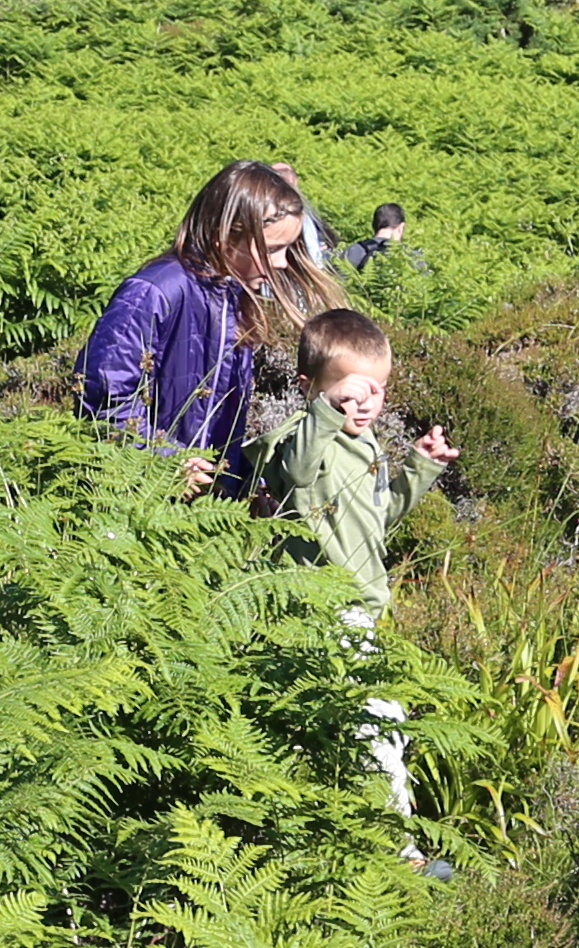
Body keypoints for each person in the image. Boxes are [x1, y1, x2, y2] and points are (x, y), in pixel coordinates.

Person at [268, 306, 456, 823]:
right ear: (312, 389)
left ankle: (350, 823)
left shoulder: (363, 441)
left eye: (377, 390)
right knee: (381, 719)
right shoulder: (307, 440)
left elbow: (375, 519)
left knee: (355, 721)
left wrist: (420, 468)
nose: (366, 403)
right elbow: (299, 473)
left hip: (362, 602)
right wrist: (326, 412)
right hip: (327, 605)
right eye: (351, 392)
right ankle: (398, 842)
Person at [76, 160, 336, 485]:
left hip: (201, 499)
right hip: (141, 496)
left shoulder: (234, 297)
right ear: (224, 238)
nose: (282, 263)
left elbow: (222, 423)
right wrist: (166, 462)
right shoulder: (155, 291)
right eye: (273, 249)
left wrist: (245, 484)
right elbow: (103, 401)